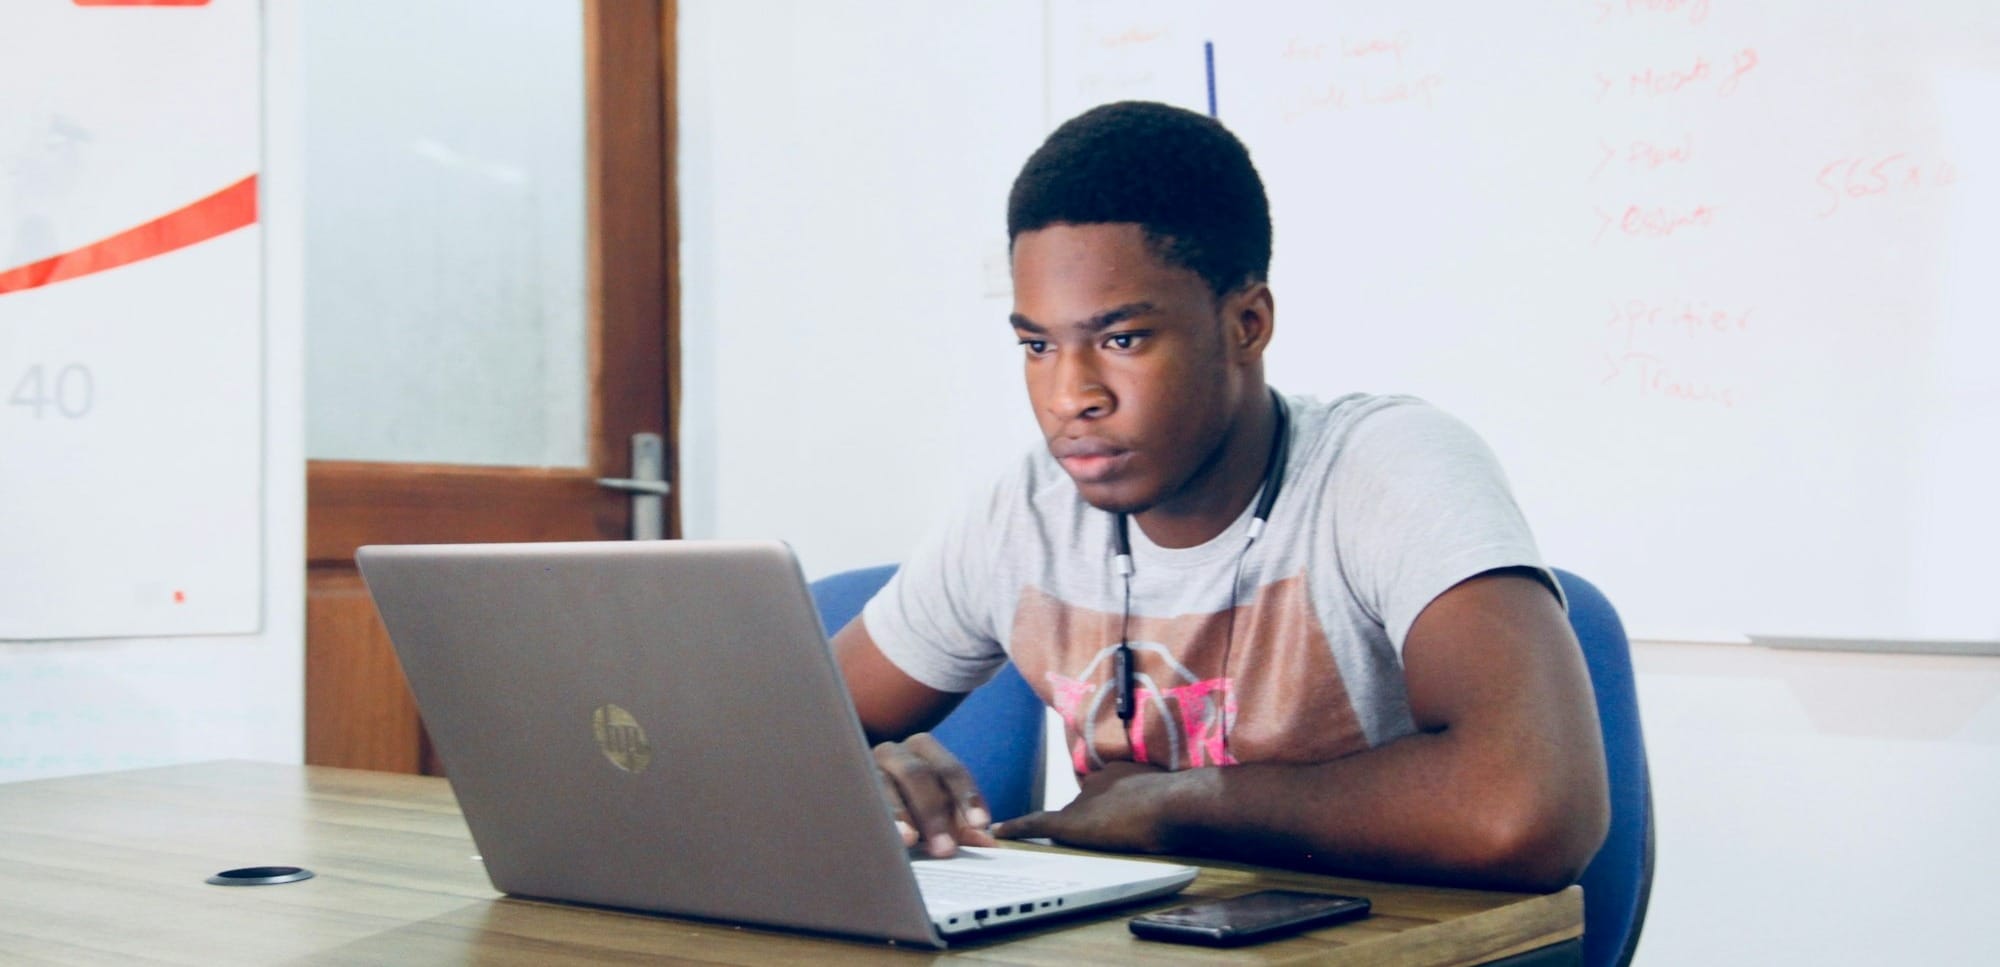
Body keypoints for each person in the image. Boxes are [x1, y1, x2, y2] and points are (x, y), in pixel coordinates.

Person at [832, 100, 1608, 892]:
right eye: (1037, 345)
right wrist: (864, 774)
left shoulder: (1387, 468)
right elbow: (762, 741)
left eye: (1121, 339)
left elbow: (1527, 810)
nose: (1070, 395)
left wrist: (1182, 804)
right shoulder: (1025, 511)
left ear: (1246, 322)